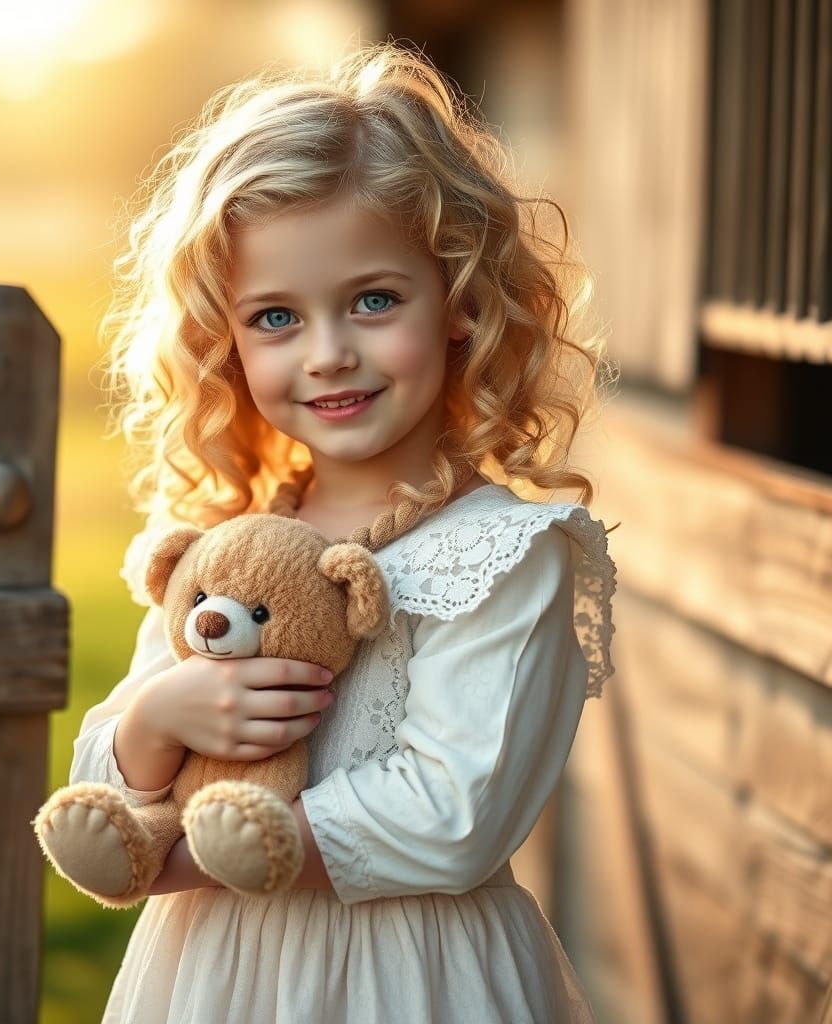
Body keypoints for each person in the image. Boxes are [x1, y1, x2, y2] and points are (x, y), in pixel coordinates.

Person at [71, 40, 617, 1023]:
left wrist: (184, 854)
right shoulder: (224, 546)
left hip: (408, 977)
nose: (328, 355)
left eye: (373, 300)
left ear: (459, 299)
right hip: (212, 978)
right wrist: (158, 722)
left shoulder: (499, 554)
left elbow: (454, 816)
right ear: (222, 342)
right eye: (275, 316)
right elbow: (100, 773)